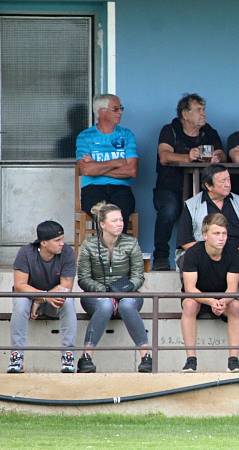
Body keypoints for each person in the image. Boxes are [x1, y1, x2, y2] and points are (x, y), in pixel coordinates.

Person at [152, 93, 225, 271]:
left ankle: (213, 258)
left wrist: (217, 156)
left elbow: (223, 153)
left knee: (218, 209)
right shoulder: (170, 130)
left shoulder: (209, 131)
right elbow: (164, 156)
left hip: (202, 188)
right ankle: (161, 257)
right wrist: (188, 156)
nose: (204, 114)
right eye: (199, 110)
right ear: (185, 114)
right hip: (170, 187)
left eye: (204, 110)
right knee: (169, 210)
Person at [76, 202, 150, 373]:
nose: (120, 223)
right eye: (114, 220)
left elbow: (138, 275)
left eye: (121, 220)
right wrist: (106, 291)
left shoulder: (131, 243)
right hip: (96, 295)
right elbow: (83, 279)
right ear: (102, 224)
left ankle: (146, 356)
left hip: (127, 292)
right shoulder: (88, 245)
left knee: (127, 304)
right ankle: (86, 357)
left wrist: (126, 288)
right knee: (105, 304)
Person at [8, 221, 77, 374]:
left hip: (49, 300)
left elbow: (66, 286)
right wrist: (42, 297)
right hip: (29, 300)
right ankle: (16, 356)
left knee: (68, 300)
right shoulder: (26, 252)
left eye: (62, 239)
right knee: (20, 302)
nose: (62, 243)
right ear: (44, 242)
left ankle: (68, 355)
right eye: (57, 240)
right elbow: (20, 285)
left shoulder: (67, 252)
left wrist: (40, 299)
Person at [180, 213, 239, 373]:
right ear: (205, 235)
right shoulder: (193, 253)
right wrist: (210, 301)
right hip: (198, 297)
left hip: (224, 297)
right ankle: (191, 360)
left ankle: (233, 361)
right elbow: (190, 288)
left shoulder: (233, 253)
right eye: (216, 233)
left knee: (236, 306)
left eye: (224, 234)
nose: (221, 238)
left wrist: (223, 301)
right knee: (188, 304)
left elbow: (232, 288)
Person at [176, 164, 239, 283]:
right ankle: (197, 297)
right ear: (208, 185)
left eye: (228, 179)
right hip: (206, 254)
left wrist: (238, 253)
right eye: (223, 181)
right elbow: (185, 241)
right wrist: (210, 252)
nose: (228, 184)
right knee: (187, 258)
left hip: (237, 254)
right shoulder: (192, 205)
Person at [76, 94, 138, 232]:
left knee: (118, 216)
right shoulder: (85, 136)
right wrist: (117, 162)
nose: (120, 112)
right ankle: (110, 251)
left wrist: (96, 164)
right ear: (101, 111)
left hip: (121, 189)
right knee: (103, 215)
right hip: (93, 188)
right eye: (115, 109)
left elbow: (131, 171)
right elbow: (87, 170)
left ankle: (112, 252)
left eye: (121, 108)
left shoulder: (127, 135)